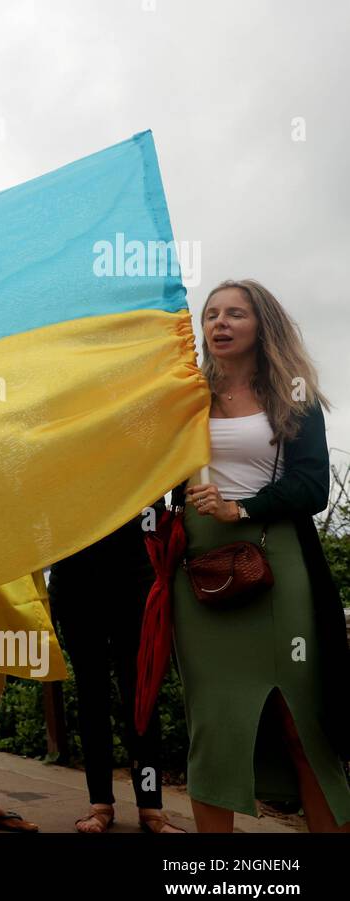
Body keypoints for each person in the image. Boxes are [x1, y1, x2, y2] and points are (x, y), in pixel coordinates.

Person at [173, 279, 350, 832]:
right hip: (199, 571)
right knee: (214, 724)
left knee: (299, 718)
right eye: (212, 315)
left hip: (277, 564)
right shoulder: (184, 396)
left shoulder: (293, 394)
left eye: (236, 314)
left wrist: (240, 508)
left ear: (262, 325)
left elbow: (312, 486)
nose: (220, 324)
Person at [50, 519, 184, 833]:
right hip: (74, 581)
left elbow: (157, 501)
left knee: (141, 694)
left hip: (135, 576)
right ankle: (100, 804)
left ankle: (151, 806)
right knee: (91, 694)